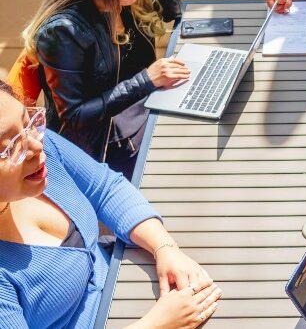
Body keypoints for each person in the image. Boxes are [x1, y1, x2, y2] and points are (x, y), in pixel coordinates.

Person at [0, 80, 222, 328]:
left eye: (28, 121)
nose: (36, 145)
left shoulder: (40, 148)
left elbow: (105, 188)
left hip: (130, 282)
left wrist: (165, 247)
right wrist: (157, 324)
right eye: (8, 148)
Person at [21, 0, 190, 179]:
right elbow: (74, 115)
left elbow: (174, 11)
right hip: (107, 146)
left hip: (142, 109)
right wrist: (147, 80)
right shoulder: (64, 32)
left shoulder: (124, 0)